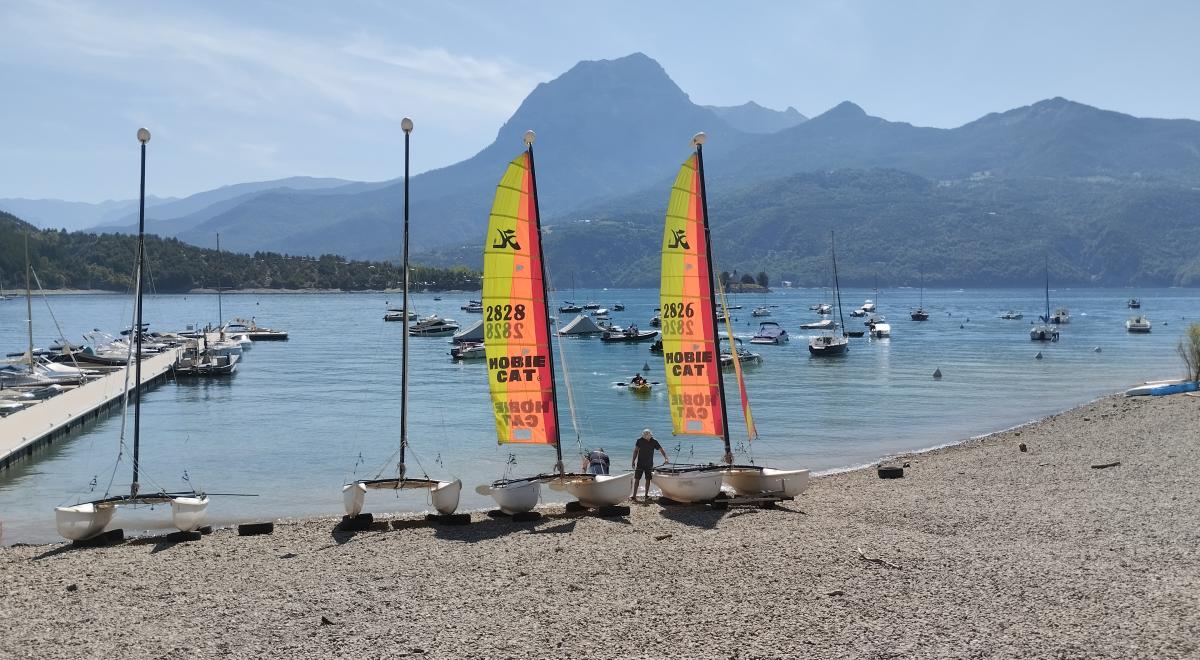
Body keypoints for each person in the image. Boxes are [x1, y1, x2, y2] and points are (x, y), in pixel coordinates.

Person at [631, 428, 669, 501]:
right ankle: (634, 496)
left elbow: (661, 449)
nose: (647, 438)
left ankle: (646, 495)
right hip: (640, 463)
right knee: (637, 479)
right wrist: (633, 461)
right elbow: (635, 451)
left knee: (648, 479)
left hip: (649, 464)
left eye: (648, 437)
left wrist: (666, 458)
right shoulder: (639, 440)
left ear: (650, 435)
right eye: (645, 437)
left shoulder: (654, 441)